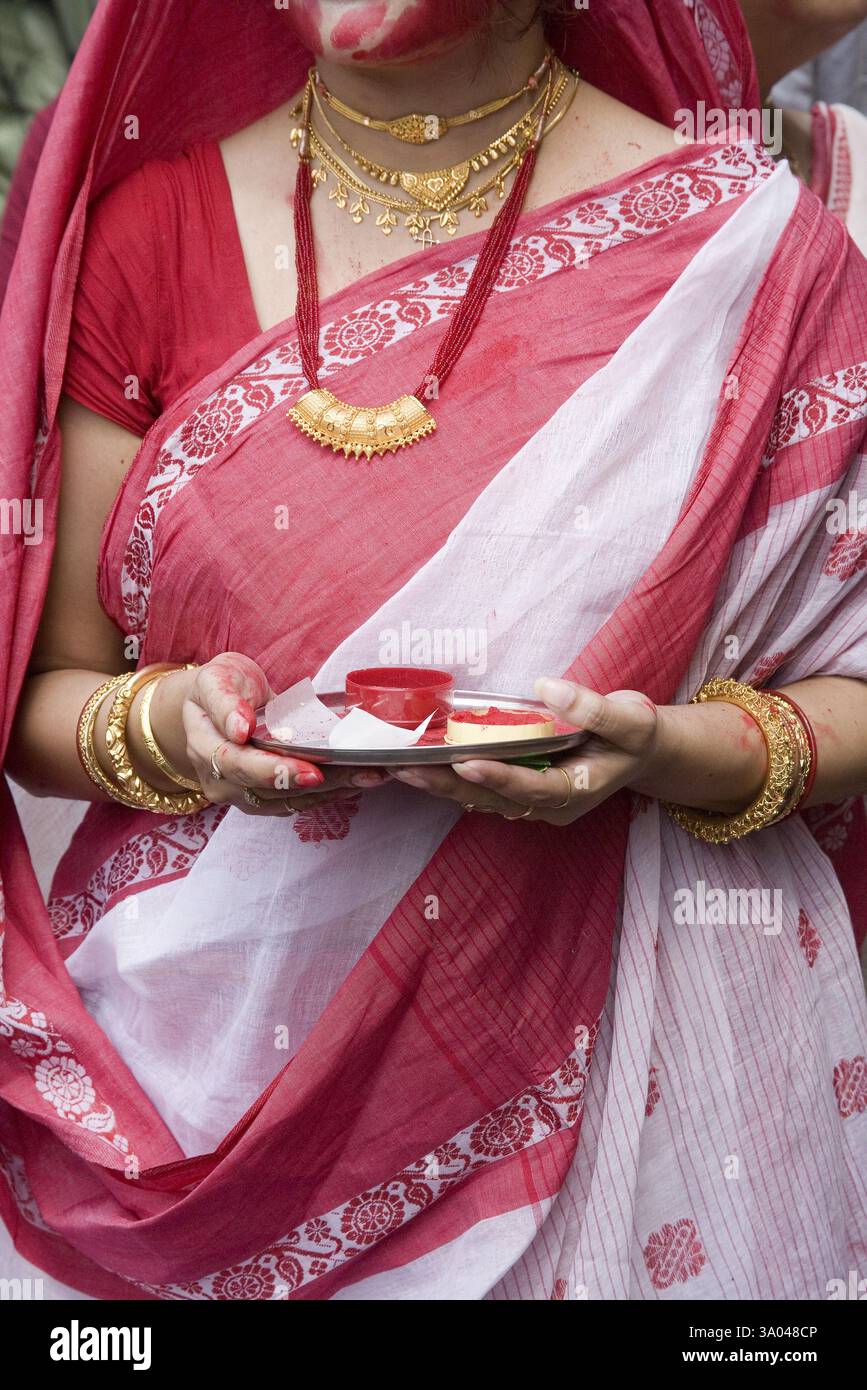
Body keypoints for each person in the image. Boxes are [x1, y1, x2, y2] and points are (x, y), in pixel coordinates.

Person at [0, 0, 865, 1301]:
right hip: (195, 1098)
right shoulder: (149, 229)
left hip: (637, 1088)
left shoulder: (753, 257)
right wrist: (170, 723)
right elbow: (40, 694)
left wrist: (667, 753)